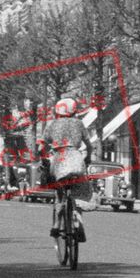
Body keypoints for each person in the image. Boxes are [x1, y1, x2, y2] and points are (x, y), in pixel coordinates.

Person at [37, 98, 93, 242]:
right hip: (76, 159)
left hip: (59, 160)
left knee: (60, 193)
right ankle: (78, 220)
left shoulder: (52, 124)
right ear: (74, 110)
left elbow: (41, 146)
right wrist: (87, 158)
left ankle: (56, 225)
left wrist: (43, 158)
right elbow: (89, 145)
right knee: (79, 193)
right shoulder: (79, 123)